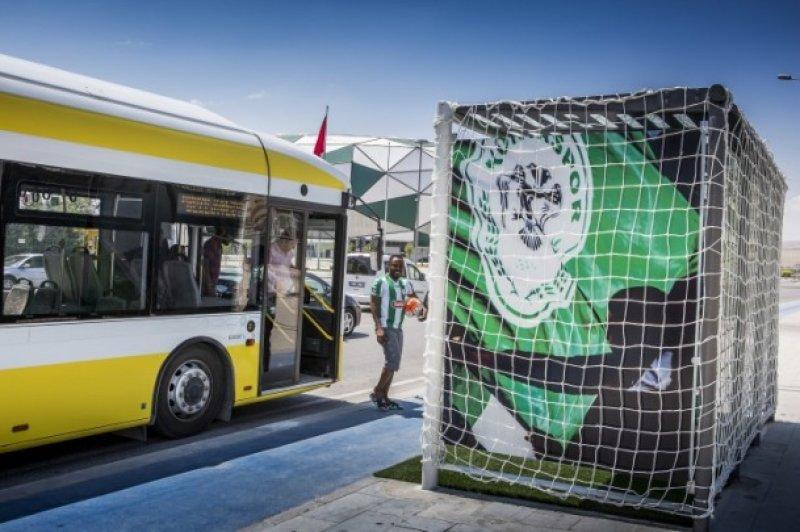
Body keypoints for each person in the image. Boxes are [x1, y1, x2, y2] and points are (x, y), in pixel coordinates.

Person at [370, 254, 426, 410]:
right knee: (392, 362)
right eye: (394, 266)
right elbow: (373, 304)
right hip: (386, 327)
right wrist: (378, 327)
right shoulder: (380, 282)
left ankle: (385, 396)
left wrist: (422, 309)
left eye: (400, 266)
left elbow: (414, 298)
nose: (397, 269)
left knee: (394, 364)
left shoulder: (404, 283)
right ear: (389, 266)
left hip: (398, 328)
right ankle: (377, 392)